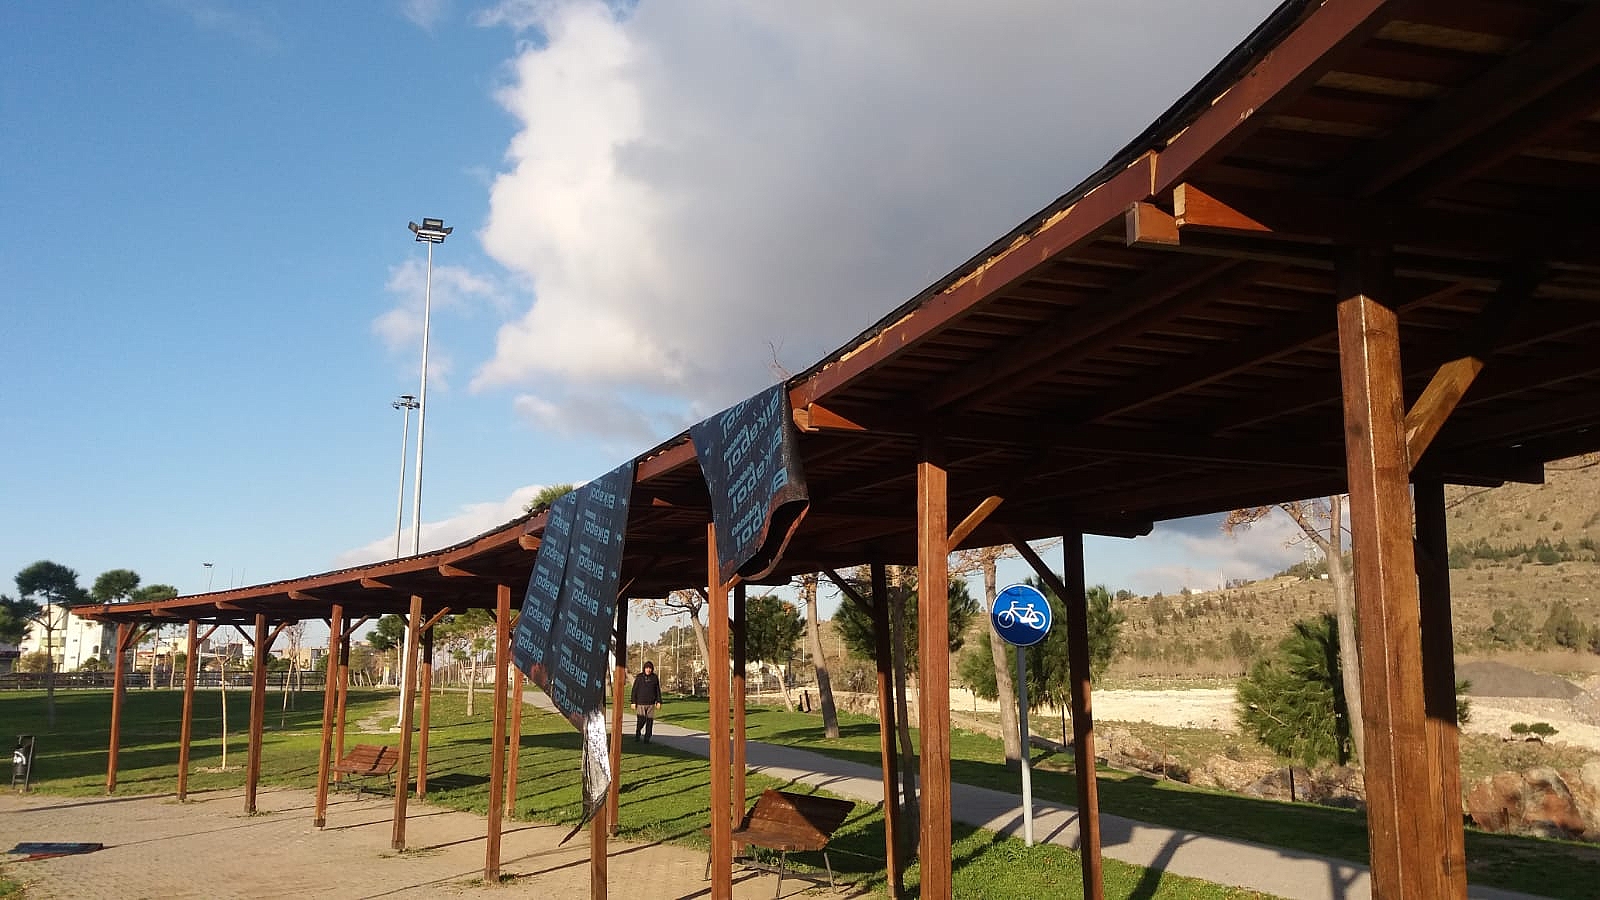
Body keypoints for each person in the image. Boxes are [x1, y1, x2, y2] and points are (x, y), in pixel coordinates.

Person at [630, 660, 662, 743]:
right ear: (644, 669)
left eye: (650, 668)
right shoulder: (639, 677)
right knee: (641, 720)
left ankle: (647, 738)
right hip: (641, 703)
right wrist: (633, 702)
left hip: (651, 703)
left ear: (652, 669)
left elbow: (657, 690)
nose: (648, 670)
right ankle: (638, 732)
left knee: (650, 721)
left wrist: (659, 701)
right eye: (647, 668)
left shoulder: (654, 678)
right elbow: (634, 690)